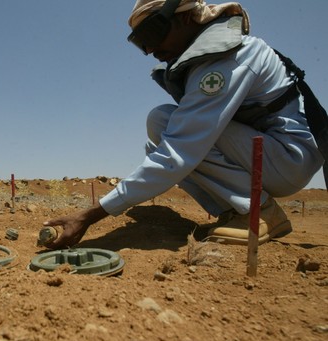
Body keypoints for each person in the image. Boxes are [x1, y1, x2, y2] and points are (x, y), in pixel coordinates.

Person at [44, 0, 324, 248]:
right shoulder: (207, 59)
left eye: (153, 33)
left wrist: (89, 215)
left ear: (187, 17)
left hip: (287, 157)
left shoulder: (228, 58)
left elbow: (178, 152)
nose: (151, 49)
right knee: (161, 126)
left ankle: (260, 211)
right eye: (142, 42)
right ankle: (237, 210)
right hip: (272, 155)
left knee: (169, 129)